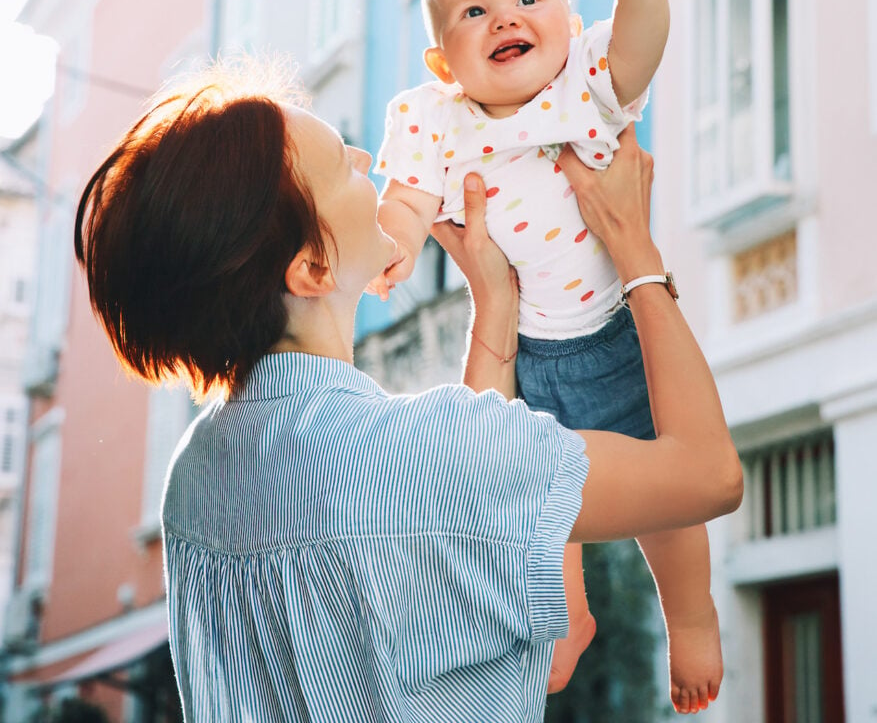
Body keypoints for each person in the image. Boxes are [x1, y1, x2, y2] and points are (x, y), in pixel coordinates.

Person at [74, 64, 742, 722]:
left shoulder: (195, 482)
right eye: (342, 166)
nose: (368, 158)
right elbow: (708, 476)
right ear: (312, 267)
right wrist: (632, 246)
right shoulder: (420, 453)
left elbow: (488, 546)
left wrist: (495, 301)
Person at [370, 0, 721, 708]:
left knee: (666, 504)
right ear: (444, 63)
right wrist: (390, 249)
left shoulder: (585, 85)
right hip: (526, 353)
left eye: (528, 0)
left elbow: (641, 45)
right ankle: (566, 620)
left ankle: (693, 618)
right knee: (536, 506)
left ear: (567, 18)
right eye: (474, 12)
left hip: (615, 333)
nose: (505, 19)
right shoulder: (435, 122)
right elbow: (405, 202)